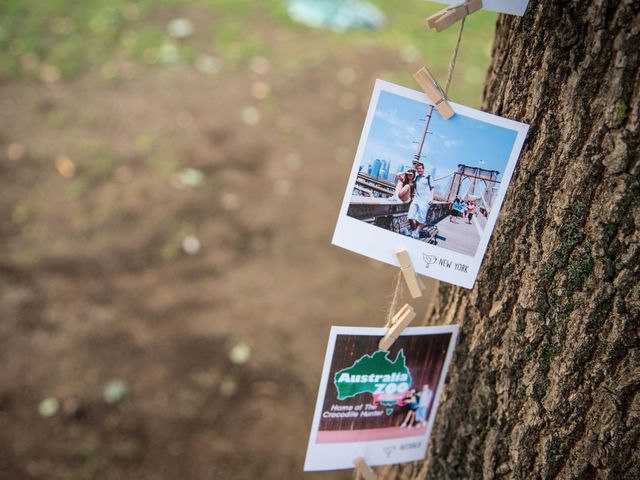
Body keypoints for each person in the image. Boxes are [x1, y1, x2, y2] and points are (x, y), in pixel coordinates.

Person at [406, 162, 434, 239]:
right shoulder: (417, 177)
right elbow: (411, 183)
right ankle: (415, 231)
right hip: (416, 199)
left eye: (420, 169)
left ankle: (416, 232)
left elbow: (432, 188)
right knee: (410, 216)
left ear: (423, 169)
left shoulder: (428, 177)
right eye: (417, 169)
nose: (419, 170)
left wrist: (431, 198)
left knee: (421, 219)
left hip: (425, 201)